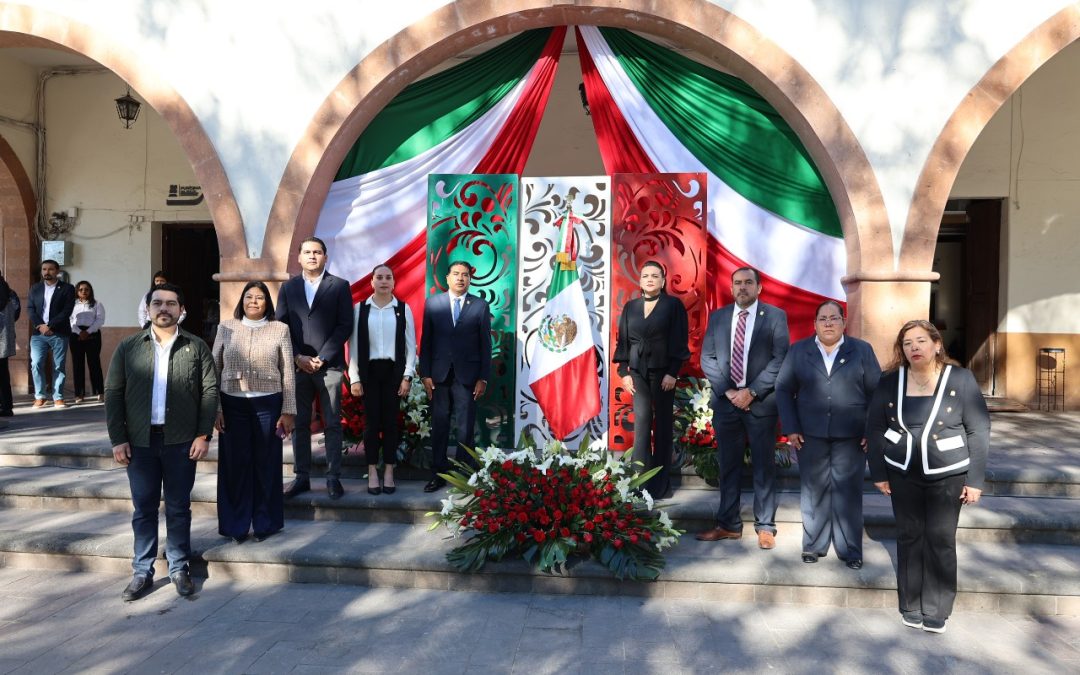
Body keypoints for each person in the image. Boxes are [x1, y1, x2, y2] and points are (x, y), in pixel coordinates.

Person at [866, 319, 989, 634]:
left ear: (937, 345)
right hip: (902, 470)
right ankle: (911, 603)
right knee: (909, 536)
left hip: (947, 473)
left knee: (940, 538)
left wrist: (974, 480)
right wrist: (878, 472)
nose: (914, 348)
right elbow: (875, 427)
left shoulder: (960, 379)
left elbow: (978, 429)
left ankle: (937, 608)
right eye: (907, 343)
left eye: (921, 341)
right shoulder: (890, 380)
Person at [105, 283, 218, 601]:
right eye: (158, 303)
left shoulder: (195, 347)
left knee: (180, 508)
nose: (164, 308)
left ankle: (179, 567)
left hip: (182, 441)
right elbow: (113, 393)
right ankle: (142, 571)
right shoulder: (129, 347)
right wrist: (118, 439)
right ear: (149, 309)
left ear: (182, 309)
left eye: (171, 303)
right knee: (143, 508)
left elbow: (209, 391)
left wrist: (203, 433)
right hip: (140, 442)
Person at [775, 300, 881, 569]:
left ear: (844, 322)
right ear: (815, 324)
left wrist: (872, 429)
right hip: (810, 435)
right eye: (823, 319)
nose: (829, 323)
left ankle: (851, 550)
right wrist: (791, 428)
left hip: (852, 435)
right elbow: (784, 389)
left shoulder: (861, 350)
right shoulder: (799, 351)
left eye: (834, 318)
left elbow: (877, 392)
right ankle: (813, 545)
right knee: (813, 491)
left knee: (849, 492)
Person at [698, 267, 789, 549]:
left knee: (764, 466)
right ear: (731, 287)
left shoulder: (775, 316)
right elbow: (707, 358)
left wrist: (751, 392)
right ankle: (728, 525)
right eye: (738, 283)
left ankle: (765, 526)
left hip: (760, 404)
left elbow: (780, 357)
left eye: (749, 283)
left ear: (759, 288)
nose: (743, 288)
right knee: (728, 465)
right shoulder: (719, 317)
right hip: (726, 405)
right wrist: (729, 391)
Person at [213, 281, 296, 543]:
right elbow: (214, 368)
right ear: (242, 300)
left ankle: (265, 523)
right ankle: (235, 525)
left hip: (268, 405)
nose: (253, 302)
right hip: (232, 404)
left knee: (266, 465)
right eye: (249, 297)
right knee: (234, 466)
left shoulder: (279, 329)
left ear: (267, 303)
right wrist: (215, 409)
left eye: (260, 297)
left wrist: (288, 410)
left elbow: (288, 373)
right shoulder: (226, 327)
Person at [276, 236, 353, 500]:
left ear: (325, 257)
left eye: (317, 252)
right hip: (298, 367)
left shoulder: (340, 286)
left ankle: (333, 478)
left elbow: (345, 325)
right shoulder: (288, 288)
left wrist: (322, 356)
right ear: (298, 258)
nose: (312, 256)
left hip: (328, 366)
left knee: (332, 423)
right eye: (307, 252)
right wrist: (297, 357)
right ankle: (302, 477)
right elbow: (281, 326)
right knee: (299, 424)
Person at [612, 261, 689, 499]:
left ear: (663, 281)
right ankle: (640, 483)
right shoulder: (631, 307)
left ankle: (661, 485)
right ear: (640, 280)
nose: (649, 279)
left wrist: (673, 372)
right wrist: (624, 373)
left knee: (663, 427)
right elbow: (623, 343)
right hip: (637, 373)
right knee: (642, 426)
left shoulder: (673, 305)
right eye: (645, 275)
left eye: (655, 276)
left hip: (663, 373)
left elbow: (679, 340)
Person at [418, 260, 491, 493]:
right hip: (439, 375)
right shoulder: (433, 304)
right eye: (456, 274)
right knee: (439, 425)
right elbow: (426, 341)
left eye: (465, 275)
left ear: (470, 279)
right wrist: (425, 374)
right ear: (447, 278)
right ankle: (438, 474)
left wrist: (483, 377)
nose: (461, 278)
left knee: (465, 426)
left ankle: (464, 475)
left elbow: (485, 344)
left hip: (468, 376)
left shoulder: (479, 305)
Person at [348, 264, 417, 495]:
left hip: (393, 373)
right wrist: (354, 378)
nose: (384, 281)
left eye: (388, 277)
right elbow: (354, 346)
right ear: (372, 282)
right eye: (379, 277)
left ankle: (388, 471)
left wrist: (407, 376)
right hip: (369, 373)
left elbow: (410, 347)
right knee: (370, 425)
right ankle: (372, 472)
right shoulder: (360, 309)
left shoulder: (403, 309)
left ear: (394, 282)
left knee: (390, 424)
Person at [28, 259, 76, 408]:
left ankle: (58, 397)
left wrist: (50, 325)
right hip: (38, 334)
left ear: (57, 271)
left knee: (58, 366)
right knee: (36, 363)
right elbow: (30, 309)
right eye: (44, 269)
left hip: (59, 332)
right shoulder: (35, 288)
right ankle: (40, 396)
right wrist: (40, 326)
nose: (46, 272)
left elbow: (67, 310)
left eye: (50, 269)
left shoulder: (67, 288)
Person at [69, 280, 107, 403]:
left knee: (94, 363)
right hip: (75, 334)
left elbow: (100, 320)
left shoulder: (97, 304)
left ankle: (99, 392)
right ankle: (79, 394)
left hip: (93, 335)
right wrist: (79, 332)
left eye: (86, 289)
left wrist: (88, 332)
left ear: (90, 291)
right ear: (77, 291)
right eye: (81, 289)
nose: (84, 292)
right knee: (78, 364)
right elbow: (69, 320)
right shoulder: (71, 304)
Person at [0, 272, 20, 417]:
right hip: (4, 338)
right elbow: (16, 314)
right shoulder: (10, 293)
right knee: (3, 374)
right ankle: (6, 406)